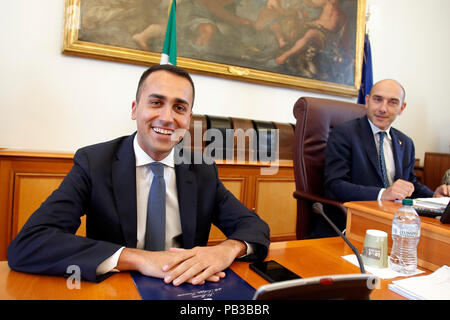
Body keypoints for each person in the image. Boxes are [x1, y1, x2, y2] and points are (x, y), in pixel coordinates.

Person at [7, 64, 270, 285]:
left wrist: (225, 250)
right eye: (156, 103)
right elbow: (29, 243)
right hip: (117, 286)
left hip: (184, 288)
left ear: (189, 118)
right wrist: (139, 259)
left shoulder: (201, 169)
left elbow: (254, 226)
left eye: (179, 108)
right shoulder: (94, 162)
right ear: (135, 109)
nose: (167, 118)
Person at [322, 79, 449, 233]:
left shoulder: (406, 143)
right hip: (351, 222)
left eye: (392, 102)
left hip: (394, 223)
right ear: (367, 101)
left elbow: (409, 184)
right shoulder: (344, 134)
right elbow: (335, 185)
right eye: (378, 99)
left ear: (402, 108)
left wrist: (433, 196)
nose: (383, 108)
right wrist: (383, 193)